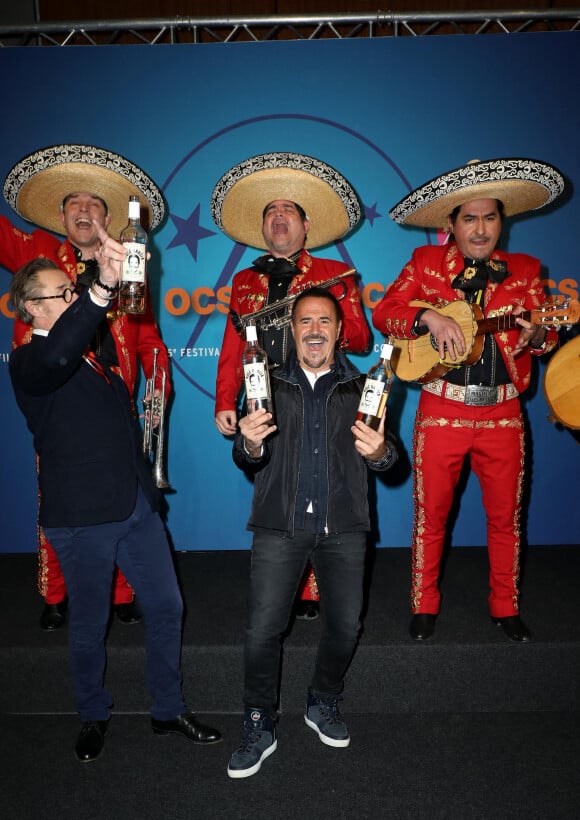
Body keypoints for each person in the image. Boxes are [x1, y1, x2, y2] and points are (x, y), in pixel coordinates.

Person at [9, 253, 221, 762]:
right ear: (32, 310)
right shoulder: (30, 359)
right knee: (88, 622)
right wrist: (101, 289)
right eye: (63, 293)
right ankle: (92, 715)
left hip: (134, 509)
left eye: (74, 289)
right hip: (81, 520)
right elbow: (57, 357)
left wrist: (146, 492)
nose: (74, 297)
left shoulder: (92, 356)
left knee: (168, 606)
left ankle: (168, 710)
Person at [372, 157, 565, 642]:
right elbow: (385, 311)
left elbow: (545, 339)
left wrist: (537, 335)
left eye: (491, 217)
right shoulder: (424, 265)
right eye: (470, 218)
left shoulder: (525, 270)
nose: (481, 229)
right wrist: (427, 319)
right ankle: (423, 604)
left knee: (506, 518)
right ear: (451, 224)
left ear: (503, 221)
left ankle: (505, 605)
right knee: (430, 515)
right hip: (440, 409)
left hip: (504, 413)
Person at [226, 287, 398, 779]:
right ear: (292, 329)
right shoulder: (265, 383)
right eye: (305, 321)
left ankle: (322, 701)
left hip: (342, 525)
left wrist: (380, 453)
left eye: (325, 321)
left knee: (346, 626)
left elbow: (389, 460)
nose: (316, 330)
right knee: (263, 632)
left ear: (340, 331)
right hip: (280, 525)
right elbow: (245, 457)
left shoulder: (364, 386)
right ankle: (258, 722)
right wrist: (250, 444)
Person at [1, 143, 168, 630]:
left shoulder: (129, 266)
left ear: (108, 217)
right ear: (59, 214)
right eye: (74, 202)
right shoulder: (36, 252)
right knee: (58, 499)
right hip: (58, 398)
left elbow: (150, 339)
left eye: (94, 204)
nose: (84, 210)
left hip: (112, 403)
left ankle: (120, 593)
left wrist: (158, 392)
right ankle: (55, 593)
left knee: (123, 500)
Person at [211, 152, 371, 619]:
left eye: (288, 211)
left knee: (321, 483)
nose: (279, 219)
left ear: (305, 224)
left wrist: (340, 304)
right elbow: (230, 347)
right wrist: (226, 399)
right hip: (264, 400)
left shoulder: (333, 275)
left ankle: (313, 589)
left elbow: (358, 340)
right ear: (263, 228)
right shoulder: (242, 282)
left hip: (321, 396)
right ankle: (281, 577)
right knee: (274, 487)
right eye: (271, 212)